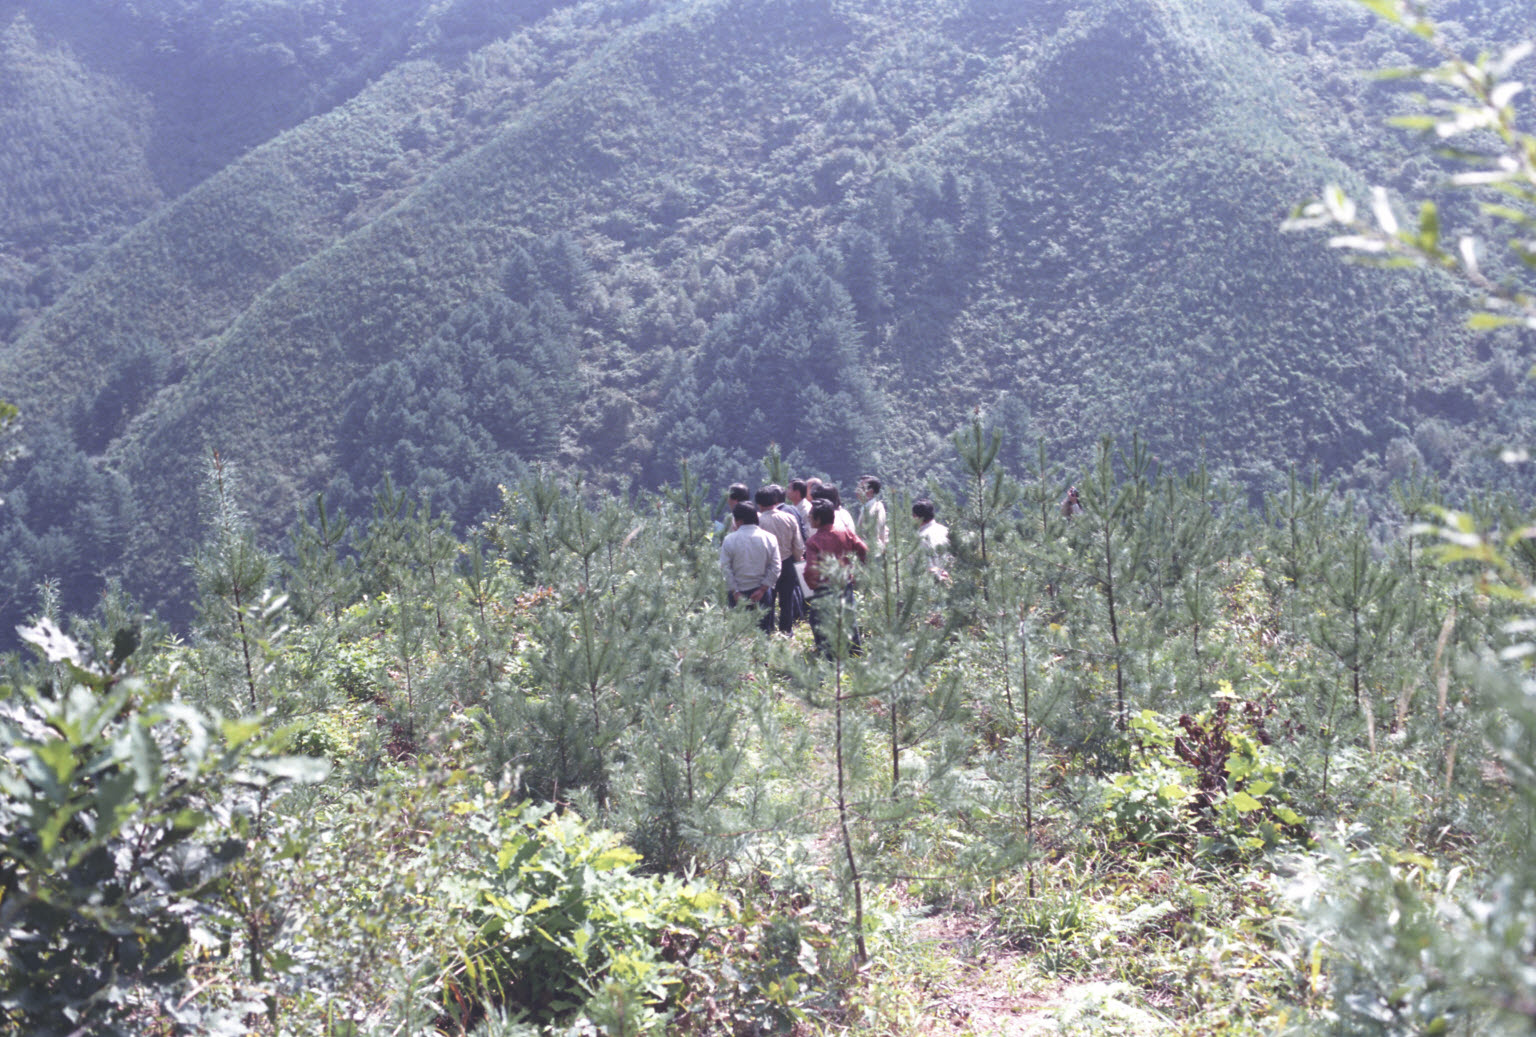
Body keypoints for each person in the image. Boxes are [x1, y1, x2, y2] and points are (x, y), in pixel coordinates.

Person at [804, 498, 868, 656]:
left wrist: (813, 584)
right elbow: (864, 550)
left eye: (811, 516)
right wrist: (859, 569)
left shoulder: (814, 541)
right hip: (844, 583)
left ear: (818, 520)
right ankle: (856, 653)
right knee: (849, 619)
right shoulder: (845, 532)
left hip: (824, 587)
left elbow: (811, 570)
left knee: (818, 622)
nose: (809, 518)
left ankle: (828, 656)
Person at [720, 501, 781, 632]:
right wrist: (763, 589)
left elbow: (725, 569)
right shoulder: (770, 538)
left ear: (738, 520)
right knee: (764, 633)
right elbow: (776, 567)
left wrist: (735, 592)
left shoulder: (730, 539)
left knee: (738, 636)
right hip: (762, 593)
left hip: (737, 593)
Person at [757, 486, 805, 633]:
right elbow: (798, 545)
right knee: (787, 600)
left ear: (759, 503)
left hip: (766, 565)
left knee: (767, 599)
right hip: (787, 562)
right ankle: (786, 631)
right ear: (775, 501)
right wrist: (797, 559)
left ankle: (768, 630)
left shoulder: (758, 520)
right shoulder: (789, 517)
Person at [856, 475, 888, 549]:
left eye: (860, 488)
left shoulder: (873, 510)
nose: (856, 491)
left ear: (870, 491)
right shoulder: (875, 505)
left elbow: (871, 537)